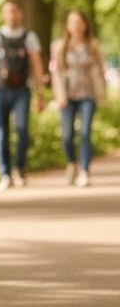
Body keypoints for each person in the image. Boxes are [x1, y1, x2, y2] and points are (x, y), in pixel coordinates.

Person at [0, 0, 46, 191]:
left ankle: (19, 169)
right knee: (1, 133)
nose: (12, 15)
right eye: (8, 12)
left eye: (15, 11)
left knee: (22, 130)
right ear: (3, 14)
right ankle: (4, 173)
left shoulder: (29, 37)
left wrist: (41, 94)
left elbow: (37, 66)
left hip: (22, 90)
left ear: (20, 13)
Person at [49, 10, 108, 187]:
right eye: (71, 22)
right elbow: (56, 73)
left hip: (88, 95)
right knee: (67, 135)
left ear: (85, 25)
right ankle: (71, 163)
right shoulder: (60, 47)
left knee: (85, 132)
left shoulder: (93, 46)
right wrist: (59, 96)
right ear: (67, 26)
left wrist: (101, 94)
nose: (75, 26)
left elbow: (101, 71)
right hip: (67, 96)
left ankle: (85, 170)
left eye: (78, 22)